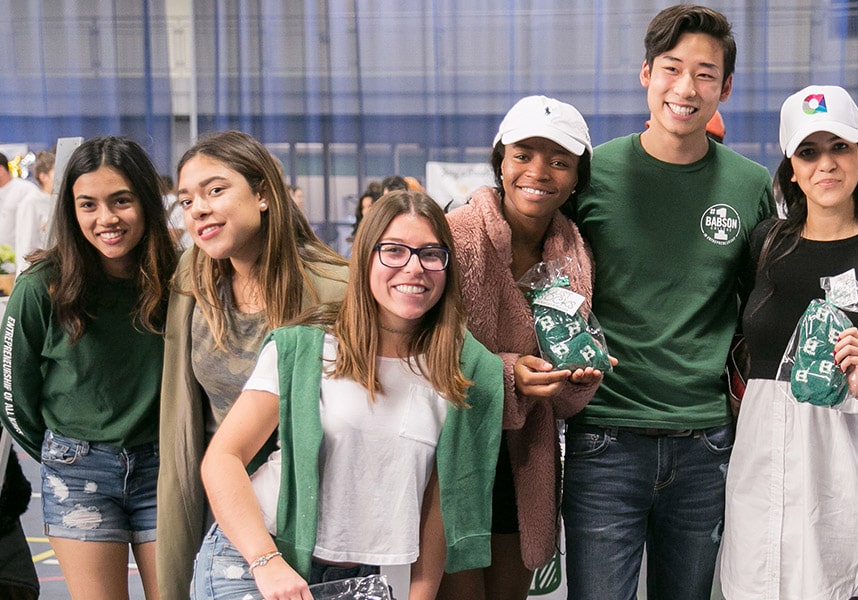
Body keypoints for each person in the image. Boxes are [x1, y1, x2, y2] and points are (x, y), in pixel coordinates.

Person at [559, 5, 774, 598]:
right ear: (646, 74)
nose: (686, 88)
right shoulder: (591, 173)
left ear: (725, 88)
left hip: (707, 441)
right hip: (605, 438)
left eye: (705, 74)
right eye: (672, 69)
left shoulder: (751, 185)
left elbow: (764, 302)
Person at [193, 190, 501, 600]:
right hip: (258, 556)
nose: (414, 268)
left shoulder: (459, 371)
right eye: (393, 251)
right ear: (365, 258)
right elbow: (222, 459)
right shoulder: (305, 348)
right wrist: (267, 563)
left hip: (359, 579)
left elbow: (438, 506)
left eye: (431, 253)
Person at [719, 85, 858, 599]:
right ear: (790, 167)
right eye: (808, 152)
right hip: (757, 458)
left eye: (839, 147)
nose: (824, 164)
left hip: (840, 462)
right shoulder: (768, 243)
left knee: (832, 583)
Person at [155, 130, 350, 599]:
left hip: (305, 517)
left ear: (262, 194)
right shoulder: (192, 277)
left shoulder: (335, 288)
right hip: (220, 503)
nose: (198, 208)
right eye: (186, 200)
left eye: (215, 190)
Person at [0, 136, 180, 600]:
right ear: (71, 211)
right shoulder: (40, 288)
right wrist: (62, 453)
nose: (106, 218)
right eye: (88, 204)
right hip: (78, 472)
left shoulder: (182, 279)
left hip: (166, 467)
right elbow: (8, 395)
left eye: (121, 201)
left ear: (146, 203)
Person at [443, 95, 606, 600]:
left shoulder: (573, 251)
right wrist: (510, 374)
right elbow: (427, 349)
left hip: (523, 461)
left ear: (577, 176)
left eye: (560, 161)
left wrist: (577, 377)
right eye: (523, 155)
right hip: (456, 449)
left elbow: (565, 363)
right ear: (500, 162)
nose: (539, 171)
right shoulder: (456, 238)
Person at [15, 151, 57, 272]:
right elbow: (26, 244)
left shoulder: (60, 201)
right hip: (39, 271)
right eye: (56, 172)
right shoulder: (31, 202)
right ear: (43, 176)